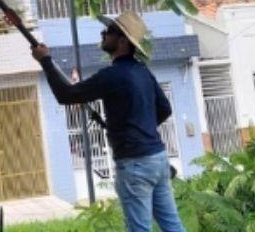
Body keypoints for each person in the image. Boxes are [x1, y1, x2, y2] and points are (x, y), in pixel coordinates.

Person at [30, 12, 185, 232]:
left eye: (109, 31)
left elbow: (67, 95)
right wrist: (140, 130)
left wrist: (45, 60)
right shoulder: (143, 71)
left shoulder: (111, 76)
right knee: (173, 226)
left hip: (135, 165)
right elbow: (164, 109)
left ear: (122, 41)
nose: (103, 33)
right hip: (158, 159)